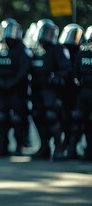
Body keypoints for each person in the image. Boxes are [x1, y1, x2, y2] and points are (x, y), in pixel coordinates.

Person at [0, 18, 31, 156]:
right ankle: (2, 145)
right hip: (1, 91)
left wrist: (12, 82)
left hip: (17, 91)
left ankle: (19, 146)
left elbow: (24, 70)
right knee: (0, 118)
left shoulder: (21, 49)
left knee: (17, 119)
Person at [29, 19, 71, 159]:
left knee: (51, 116)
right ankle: (44, 147)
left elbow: (66, 69)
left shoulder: (59, 49)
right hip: (36, 90)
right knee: (37, 116)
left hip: (51, 91)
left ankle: (58, 148)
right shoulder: (34, 49)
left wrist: (56, 78)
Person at [57, 24, 84, 159]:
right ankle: (65, 146)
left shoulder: (82, 53)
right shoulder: (60, 51)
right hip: (64, 93)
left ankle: (73, 148)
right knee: (63, 120)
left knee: (77, 121)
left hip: (79, 94)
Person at [67, 25, 91, 160]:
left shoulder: (81, 53)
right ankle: (72, 150)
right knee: (77, 121)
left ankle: (78, 150)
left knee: (80, 121)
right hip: (83, 93)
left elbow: (75, 74)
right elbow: (75, 73)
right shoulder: (81, 53)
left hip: (83, 92)